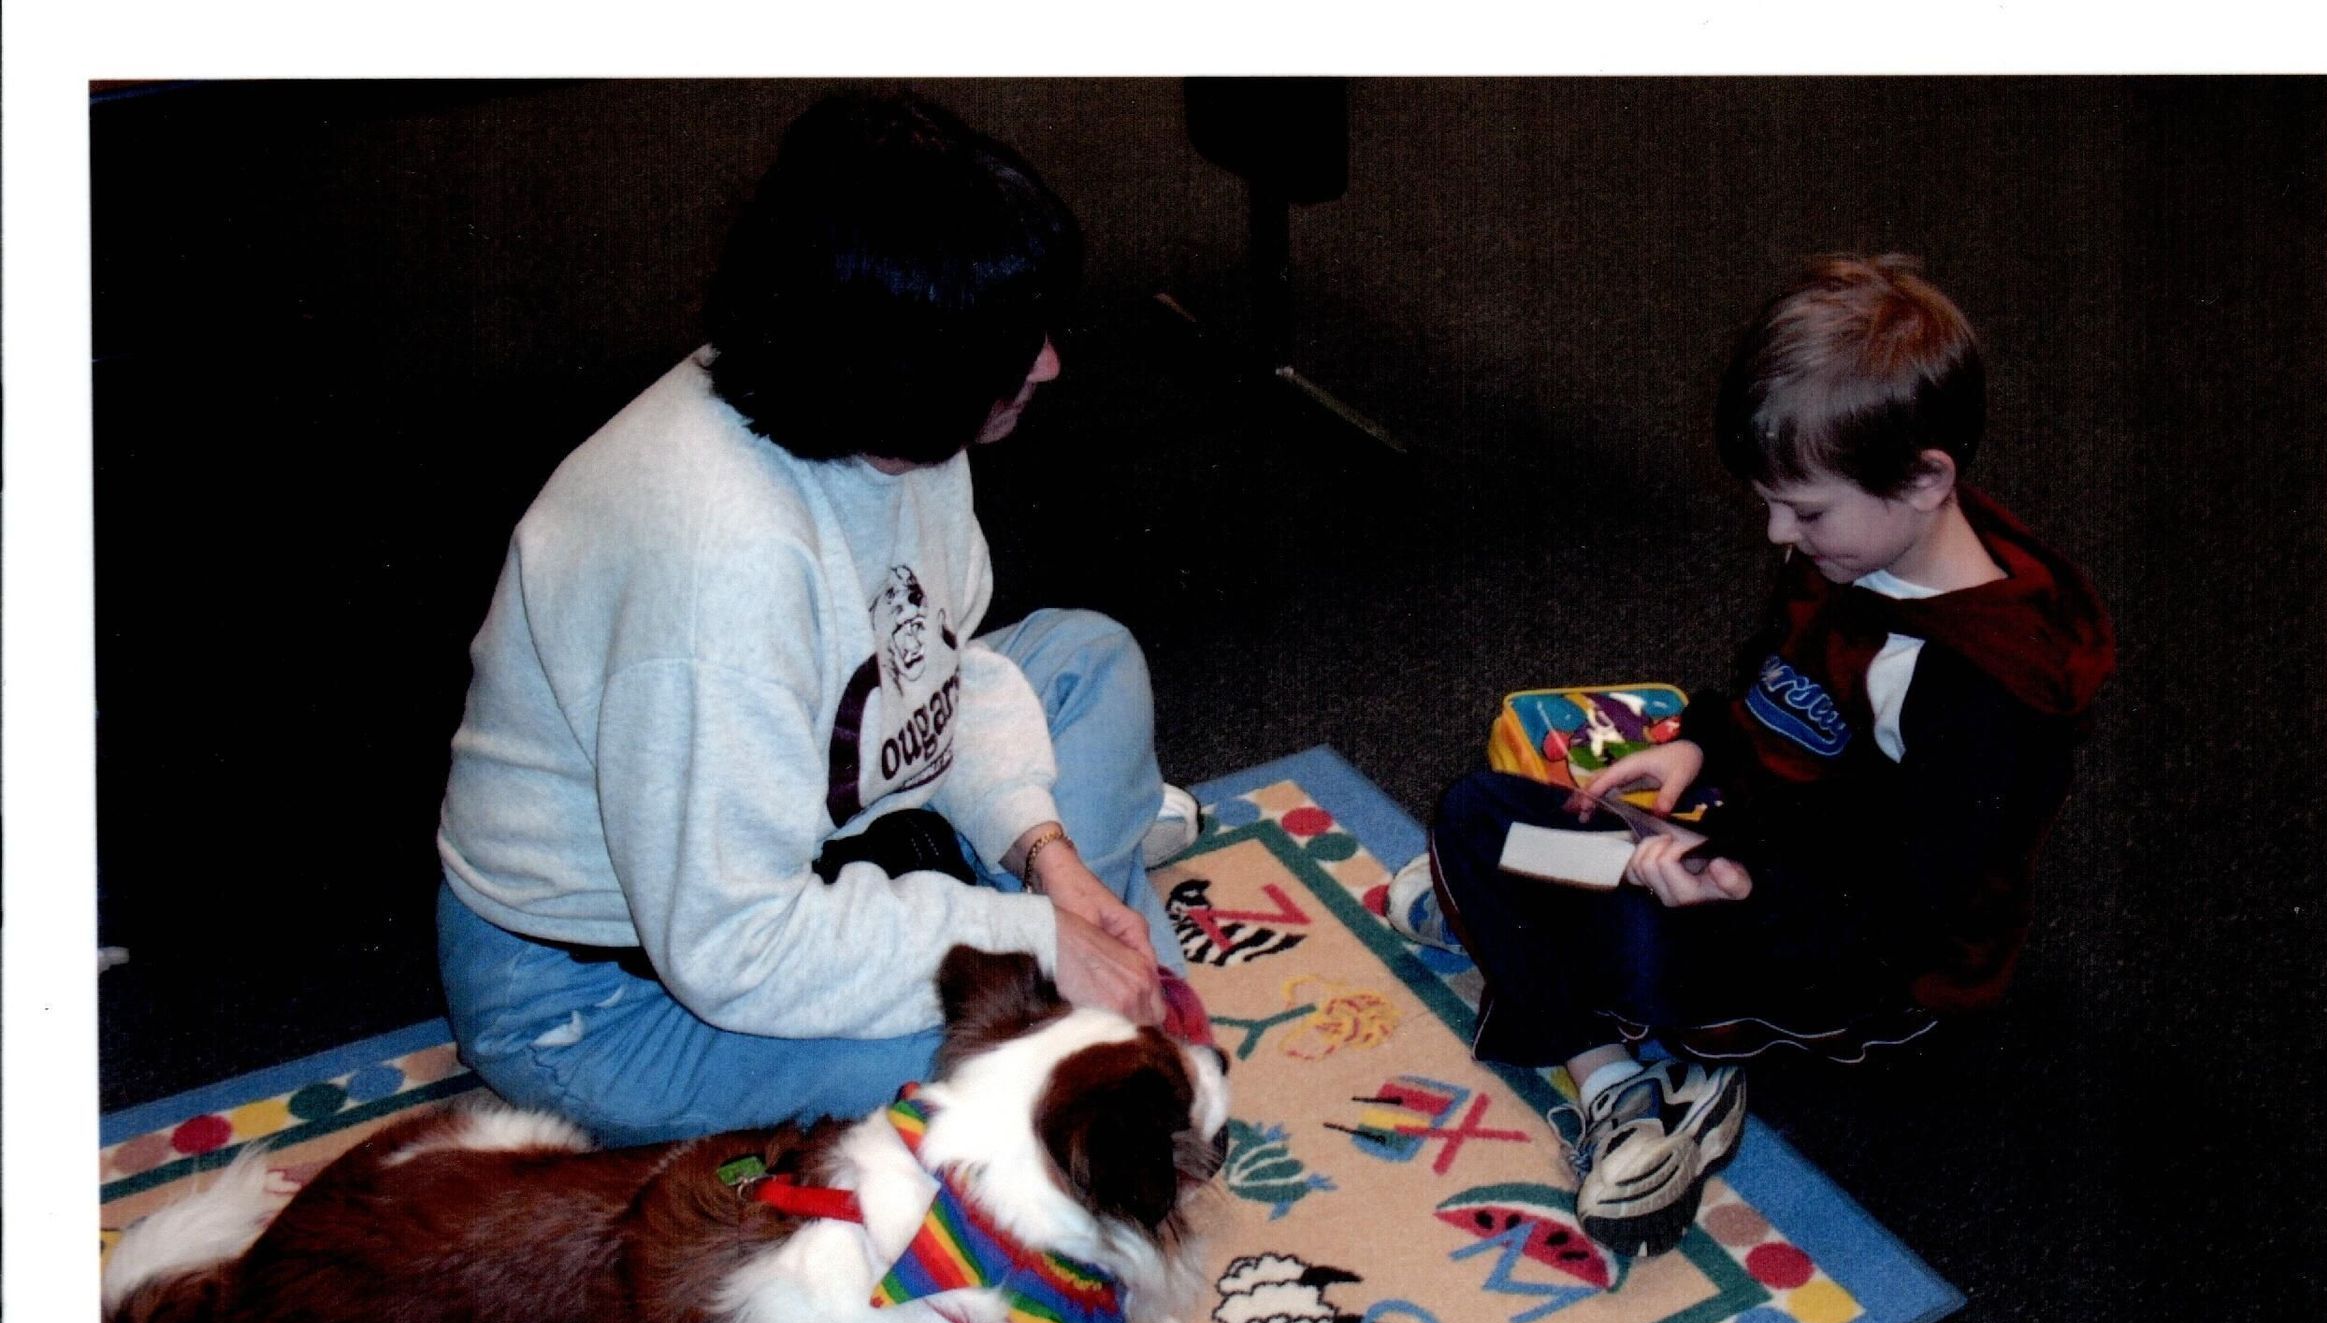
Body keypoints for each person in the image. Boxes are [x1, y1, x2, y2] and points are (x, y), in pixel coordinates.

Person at [434, 92, 1202, 1146]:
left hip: (807, 839)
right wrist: (1031, 939)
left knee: (1088, 661)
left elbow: (946, 673)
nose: (1048, 365)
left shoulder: (878, 412)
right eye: (1012, 343)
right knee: (1026, 1069)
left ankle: (1083, 957)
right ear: (904, 364)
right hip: (606, 1000)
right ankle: (1097, 994)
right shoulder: (719, 564)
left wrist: (1045, 855)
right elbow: (735, 944)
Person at [1384, 255, 2116, 1257]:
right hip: (1746, 842)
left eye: (1802, 510)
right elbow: (1774, 680)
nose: (1777, 534)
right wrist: (1698, 743)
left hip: (1866, 959)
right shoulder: (1857, 543)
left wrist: (1741, 881)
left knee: (1632, 939)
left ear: (1925, 479)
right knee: (1474, 811)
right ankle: (1568, 985)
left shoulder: (1985, 690)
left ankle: (1615, 1081)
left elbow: (1913, 907)